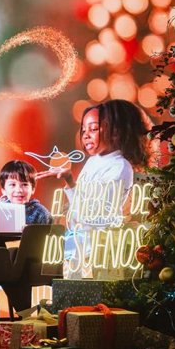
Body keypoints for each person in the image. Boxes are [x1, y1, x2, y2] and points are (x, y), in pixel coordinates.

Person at [35, 99, 147, 277]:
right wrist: (70, 182)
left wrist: (78, 214)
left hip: (95, 246)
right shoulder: (92, 162)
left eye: (94, 129)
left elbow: (97, 214)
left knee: (38, 258)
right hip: (79, 239)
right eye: (84, 129)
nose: (86, 135)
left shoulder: (120, 166)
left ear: (116, 131)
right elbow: (80, 208)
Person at [0, 160, 52, 225]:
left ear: (32, 189)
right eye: (13, 185)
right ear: (3, 190)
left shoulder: (41, 213)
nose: (19, 190)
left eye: (24, 184)